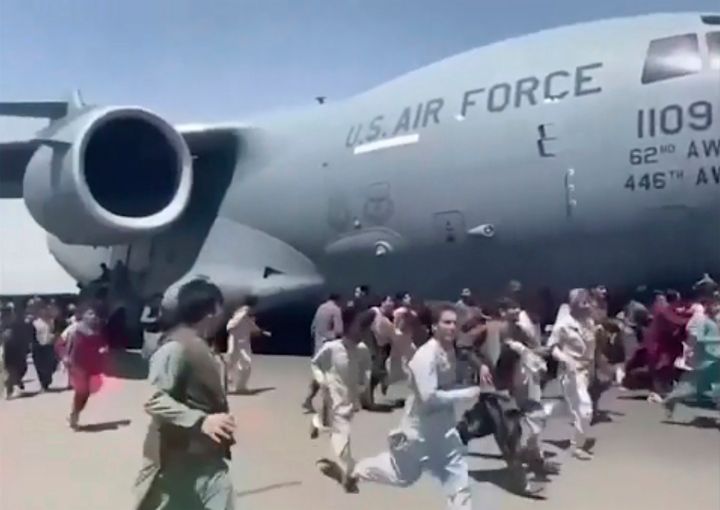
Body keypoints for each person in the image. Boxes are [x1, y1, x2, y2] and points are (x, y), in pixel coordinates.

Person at [348, 305, 479, 509]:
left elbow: (445, 385)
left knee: (459, 482)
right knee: (402, 476)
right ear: (435, 326)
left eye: (455, 323)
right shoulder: (425, 356)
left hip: (444, 432)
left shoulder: (449, 351)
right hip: (418, 433)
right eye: (446, 322)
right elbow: (428, 398)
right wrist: (464, 394)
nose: (452, 327)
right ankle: (357, 471)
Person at [134, 279, 236, 510]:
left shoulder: (201, 346)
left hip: (209, 460)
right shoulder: (175, 348)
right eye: (221, 308)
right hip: (176, 462)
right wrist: (201, 420)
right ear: (212, 309)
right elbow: (154, 399)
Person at [310, 307, 373, 493]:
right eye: (360, 326)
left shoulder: (362, 350)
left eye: (365, 327)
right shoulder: (332, 348)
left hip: (350, 400)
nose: (363, 331)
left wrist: (364, 385)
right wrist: (322, 382)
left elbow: (367, 368)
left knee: (334, 426)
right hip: (333, 396)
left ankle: (316, 422)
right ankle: (348, 476)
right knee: (342, 434)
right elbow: (315, 363)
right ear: (348, 326)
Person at [548, 289, 597, 460]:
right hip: (571, 373)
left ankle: (545, 411)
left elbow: (591, 349)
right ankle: (577, 446)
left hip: (586, 371)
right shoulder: (563, 325)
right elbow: (552, 348)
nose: (588, 305)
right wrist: (565, 359)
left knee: (574, 407)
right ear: (574, 305)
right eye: (584, 302)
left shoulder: (589, 323)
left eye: (588, 301)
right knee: (584, 408)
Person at [65, 301, 109, 428]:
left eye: (94, 314)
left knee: (87, 392)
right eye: (90, 313)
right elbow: (66, 343)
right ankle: (74, 415)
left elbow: (101, 344)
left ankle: (76, 411)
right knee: (82, 390)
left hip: (91, 364)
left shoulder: (97, 329)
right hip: (77, 364)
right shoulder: (75, 329)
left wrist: (103, 350)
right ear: (83, 315)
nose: (93, 316)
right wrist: (66, 356)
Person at [303, 293, 344, 412]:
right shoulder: (336, 310)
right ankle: (327, 406)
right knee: (330, 377)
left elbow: (313, 328)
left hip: (318, 346)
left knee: (319, 374)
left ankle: (309, 399)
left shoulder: (320, 308)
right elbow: (339, 330)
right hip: (329, 346)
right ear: (338, 300)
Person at [224, 296, 270, 394]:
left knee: (239, 363)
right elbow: (232, 325)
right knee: (240, 363)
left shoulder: (244, 315)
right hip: (238, 343)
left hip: (241, 343)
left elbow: (250, 325)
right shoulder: (243, 312)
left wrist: (261, 331)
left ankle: (238, 386)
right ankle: (233, 385)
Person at [32, 300, 58, 391]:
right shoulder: (35, 323)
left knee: (51, 365)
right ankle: (43, 384)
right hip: (38, 347)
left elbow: (55, 331)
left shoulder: (51, 321)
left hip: (49, 346)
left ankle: (47, 380)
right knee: (40, 366)